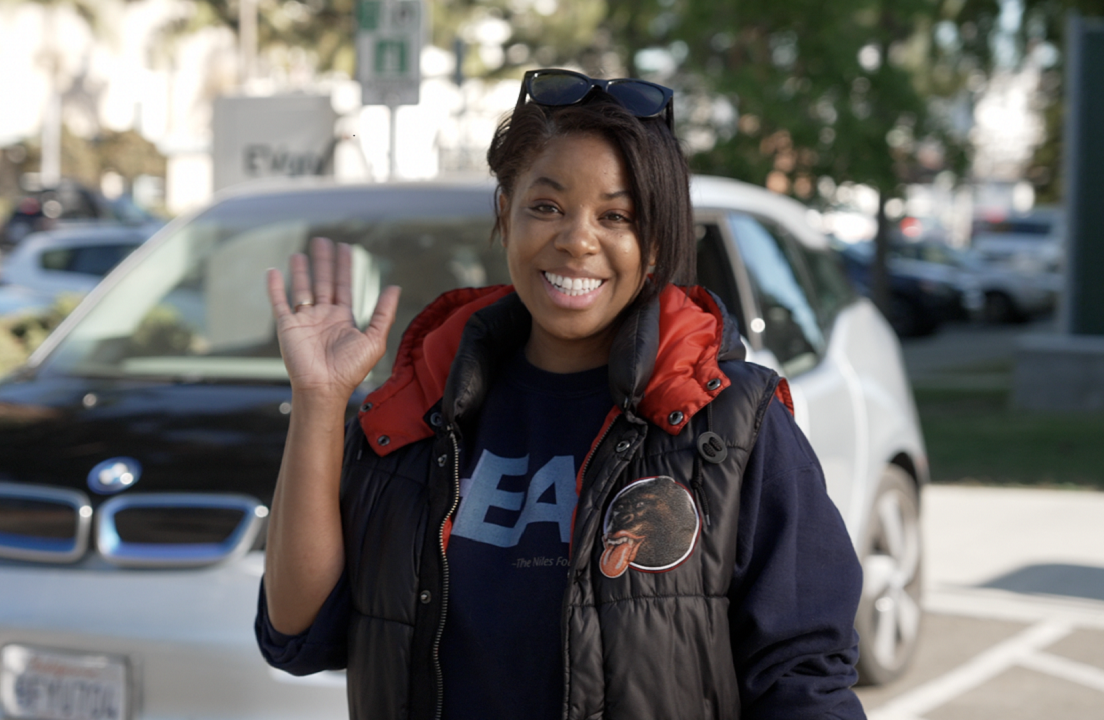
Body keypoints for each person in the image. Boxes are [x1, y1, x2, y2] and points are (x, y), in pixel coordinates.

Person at [256, 68, 867, 720]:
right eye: (546, 207)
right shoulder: (416, 416)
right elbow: (297, 634)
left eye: (617, 216)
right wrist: (319, 400)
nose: (577, 240)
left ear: (654, 242)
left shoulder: (733, 426)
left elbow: (804, 681)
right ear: (505, 214)